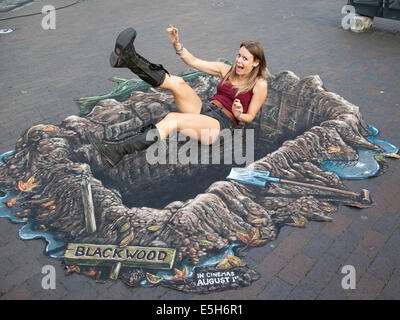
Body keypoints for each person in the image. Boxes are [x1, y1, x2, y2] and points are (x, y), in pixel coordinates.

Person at [87, 25, 268, 166]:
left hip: (221, 126)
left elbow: (249, 117)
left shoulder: (259, 84)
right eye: (238, 55)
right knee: (177, 83)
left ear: (255, 63)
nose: (239, 61)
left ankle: (119, 150)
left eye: (245, 58)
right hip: (206, 110)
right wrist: (177, 45)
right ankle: (129, 59)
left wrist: (238, 114)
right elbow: (193, 61)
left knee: (173, 119)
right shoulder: (225, 70)